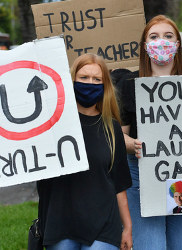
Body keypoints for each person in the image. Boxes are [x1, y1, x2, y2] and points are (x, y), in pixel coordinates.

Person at [118, 15, 182, 250]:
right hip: (143, 177)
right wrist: (134, 144)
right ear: (145, 46)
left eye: (167, 36)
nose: (161, 41)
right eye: (154, 37)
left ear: (177, 45)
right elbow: (121, 136)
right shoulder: (130, 83)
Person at [37, 54, 133, 250]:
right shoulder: (51, 126)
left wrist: (128, 227)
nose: (90, 83)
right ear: (71, 80)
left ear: (105, 84)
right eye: (84, 77)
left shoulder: (112, 128)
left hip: (104, 223)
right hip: (61, 221)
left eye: (97, 79)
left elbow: (119, 183)